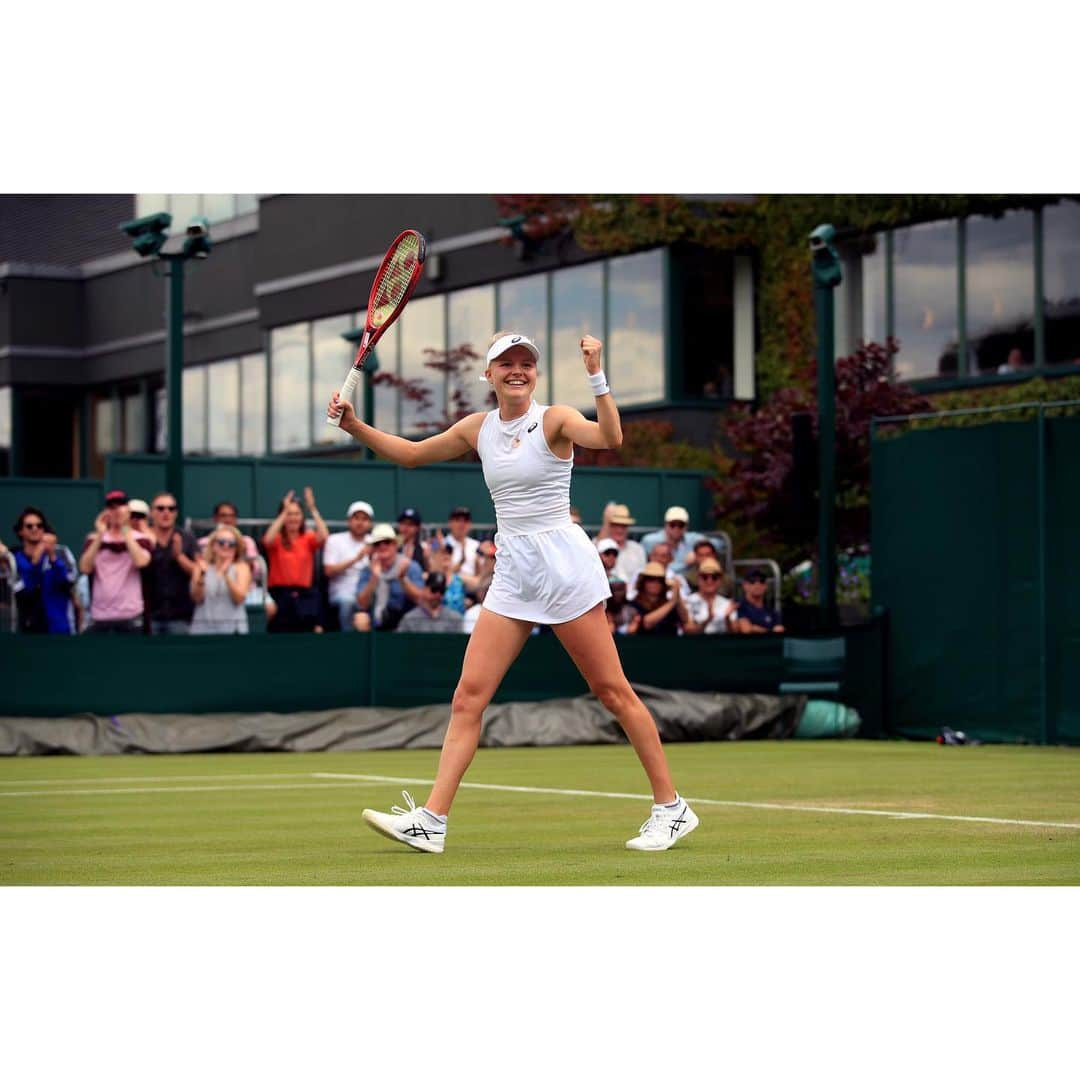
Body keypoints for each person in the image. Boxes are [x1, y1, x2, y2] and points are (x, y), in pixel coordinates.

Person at [329, 330, 698, 853]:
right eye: (506, 363)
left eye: (526, 362)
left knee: (613, 692)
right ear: (490, 374)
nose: (517, 370)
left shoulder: (557, 419)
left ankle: (672, 807)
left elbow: (611, 437)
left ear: (536, 373)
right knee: (468, 697)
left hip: (564, 568)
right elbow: (411, 455)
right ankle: (432, 821)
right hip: (514, 571)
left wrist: (597, 374)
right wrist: (354, 425)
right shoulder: (477, 428)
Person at [78, 490, 153, 634]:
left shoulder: (140, 538)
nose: (116, 511)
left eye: (120, 506)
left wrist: (125, 528)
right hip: (100, 617)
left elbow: (141, 562)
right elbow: (85, 567)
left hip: (131, 616)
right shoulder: (93, 539)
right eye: (112, 507)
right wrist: (100, 534)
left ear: (128, 510)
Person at [0, 507, 78, 634]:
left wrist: (52, 557)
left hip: (60, 629)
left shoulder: (61, 552)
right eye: (29, 526)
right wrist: (35, 564)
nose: (35, 529)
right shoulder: (14, 558)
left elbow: (69, 580)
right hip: (27, 630)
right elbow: (22, 592)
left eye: (39, 525)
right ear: (21, 531)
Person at [262, 487, 329, 633]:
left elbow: (324, 536)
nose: (293, 518)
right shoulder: (277, 539)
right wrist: (283, 513)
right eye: (289, 514)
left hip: (304, 596)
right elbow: (267, 540)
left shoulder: (308, 537)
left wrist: (312, 509)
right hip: (279, 595)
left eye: (297, 514)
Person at [144, 491, 199, 635]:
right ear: (151, 513)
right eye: (160, 508)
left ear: (176, 513)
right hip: (148, 615)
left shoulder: (187, 538)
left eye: (171, 509)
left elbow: (199, 572)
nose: (166, 512)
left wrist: (179, 557)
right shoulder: (142, 538)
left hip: (180, 616)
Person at [352, 523, 425, 632]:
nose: (382, 546)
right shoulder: (368, 569)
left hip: (405, 616)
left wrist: (402, 579)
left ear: (395, 544)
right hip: (376, 619)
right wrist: (374, 578)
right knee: (360, 619)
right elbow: (362, 603)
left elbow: (421, 599)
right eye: (377, 544)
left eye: (387, 542)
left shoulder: (410, 565)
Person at [189, 524, 251, 635]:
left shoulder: (242, 568)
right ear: (213, 545)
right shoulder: (201, 566)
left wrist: (226, 575)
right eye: (221, 542)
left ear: (236, 548)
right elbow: (197, 598)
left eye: (231, 544)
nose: (226, 546)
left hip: (233, 629)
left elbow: (239, 598)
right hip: (203, 628)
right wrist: (202, 575)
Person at [322, 500, 374, 632]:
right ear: (349, 520)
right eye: (356, 518)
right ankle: (348, 641)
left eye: (364, 519)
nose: (360, 522)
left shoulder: (375, 542)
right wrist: (357, 558)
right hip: (342, 593)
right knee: (348, 603)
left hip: (368, 592)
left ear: (370, 523)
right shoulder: (335, 540)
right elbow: (329, 571)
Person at [640, 506, 705, 575]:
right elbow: (640, 562)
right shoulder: (650, 540)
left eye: (681, 525)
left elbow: (716, 543)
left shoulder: (692, 539)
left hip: (685, 580)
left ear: (686, 527)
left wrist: (697, 553)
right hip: (658, 578)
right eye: (672, 525)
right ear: (665, 525)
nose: (676, 529)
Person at [396, 571, 464, 634]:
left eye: (441, 591)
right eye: (434, 590)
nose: (438, 594)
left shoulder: (455, 618)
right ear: (425, 589)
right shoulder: (410, 619)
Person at [631, 561, 689, 636]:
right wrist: (672, 602)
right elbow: (646, 623)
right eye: (651, 579)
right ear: (643, 582)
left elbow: (685, 619)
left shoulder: (669, 603)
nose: (655, 583)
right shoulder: (634, 604)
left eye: (660, 580)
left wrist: (677, 595)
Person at [683, 558, 737, 634]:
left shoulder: (727, 603)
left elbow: (736, 633)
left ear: (720, 580)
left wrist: (727, 619)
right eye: (705, 577)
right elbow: (688, 631)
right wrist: (708, 619)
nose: (709, 581)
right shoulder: (688, 602)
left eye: (714, 577)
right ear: (698, 579)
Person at [596, 503, 646, 583]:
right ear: (609, 526)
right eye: (615, 525)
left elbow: (641, 577)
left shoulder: (638, 549)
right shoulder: (598, 546)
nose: (619, 530)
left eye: (623, 526)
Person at [734, 567, 785, 634]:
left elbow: (779, 629)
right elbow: (746, 629)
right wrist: (771, 631)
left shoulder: (771, 611)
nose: (757, 584)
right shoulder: (738, 606)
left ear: (766, 585)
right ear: (745, 585)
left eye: (762, 581)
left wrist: (755, 628)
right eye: (752, 581)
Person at [444, 506, 479, 577]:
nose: (461, 524)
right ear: (450, 523)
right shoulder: (442, 544)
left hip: (473, 585)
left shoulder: (476, 545)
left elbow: (480, 574)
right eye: (457, 520)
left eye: (465, 520)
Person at [396, 507, 428, 573]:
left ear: (418, 527)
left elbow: (428, 572)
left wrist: (427, 559)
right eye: (403, 523)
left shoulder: (423, 547)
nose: (406, 527)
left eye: (410, 524)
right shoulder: (392, 545)